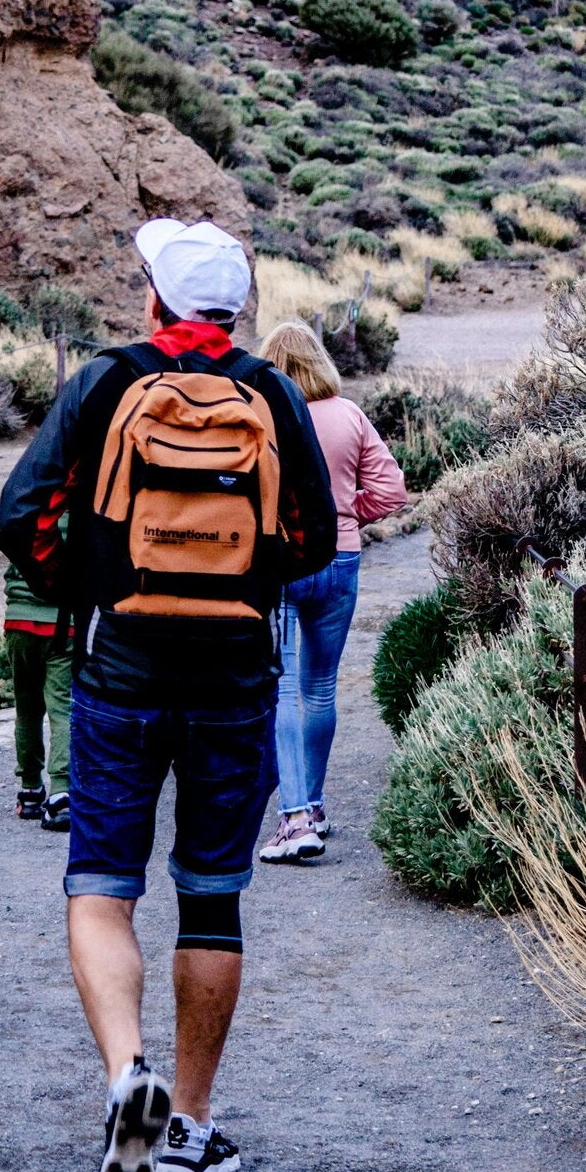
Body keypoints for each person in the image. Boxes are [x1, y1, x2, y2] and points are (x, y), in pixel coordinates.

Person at [0, 219, 337, 1172]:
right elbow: (312, 537)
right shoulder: (273, 393)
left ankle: (124, 1078)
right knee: (213, 897)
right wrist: (242, 588)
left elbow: (23, 513)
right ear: (238, 312)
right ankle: (186, 1126)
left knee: (102, 887)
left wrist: (101, 587)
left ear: (152, 300)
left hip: (120, 673)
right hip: (235, 679)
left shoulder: (106, 382)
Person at [255, 319, 408, 866]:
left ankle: (295, 818)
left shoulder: (265, 415)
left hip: (283, 562)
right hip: (341, 559)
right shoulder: (350, 414)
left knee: (285, 690)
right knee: (320, 689)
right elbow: (393, 490)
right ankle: (313, 808)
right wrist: (348, 519)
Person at [0, 476, 73, 829]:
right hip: (65, 625)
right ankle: (61, 792)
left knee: (26, 710)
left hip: (20, 624)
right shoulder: (85, 513)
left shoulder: (23, 512)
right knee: (62, 709)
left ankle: (29, 792)